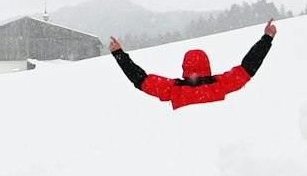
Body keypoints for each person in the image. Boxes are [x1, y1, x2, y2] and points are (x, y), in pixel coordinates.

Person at [109, 20, 277, 109]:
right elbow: (248, 68)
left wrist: (119, 54)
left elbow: (140, 80)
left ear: (184, 67)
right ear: (207, 65)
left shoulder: (174, 89)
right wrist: (267, 39)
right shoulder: (220, 85)